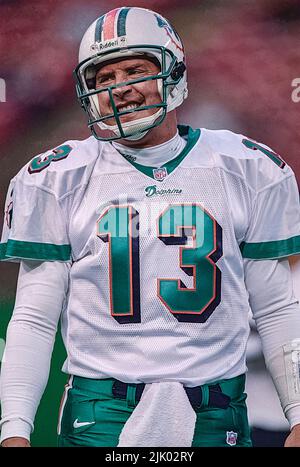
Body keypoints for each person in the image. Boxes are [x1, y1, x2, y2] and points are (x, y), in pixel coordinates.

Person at [1, 6, 300, 448]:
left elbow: (276, 307)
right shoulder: (56, 178)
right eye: (103, 78)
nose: (119, 88)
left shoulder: (247, 166)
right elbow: (33, 319)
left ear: (173, 73)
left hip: (216, 411)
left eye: (134, 70)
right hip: (100, 412)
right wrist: (14, 432)